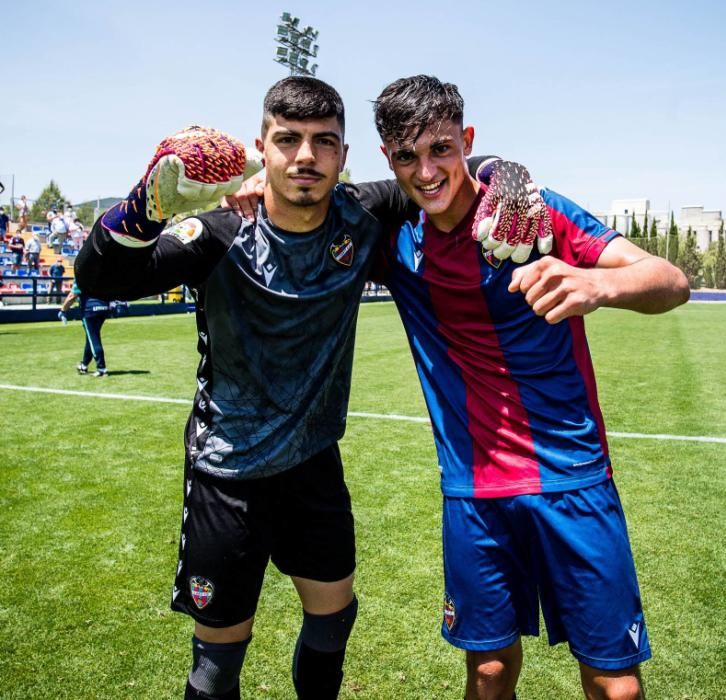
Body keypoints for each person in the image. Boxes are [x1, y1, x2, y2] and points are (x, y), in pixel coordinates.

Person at [75, 78, 542, 700]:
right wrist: (144, 205)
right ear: (260, 149)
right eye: (288, 140)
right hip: (226, 473)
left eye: (324, 142)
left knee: (332, 624)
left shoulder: (363, 212)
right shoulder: (218, 233)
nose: (305, 156)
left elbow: (444, 167)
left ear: (343, 156)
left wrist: (507, 172)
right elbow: (103, 277)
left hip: (314, 466)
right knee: (217, 665)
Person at [363, 75, 690, 700]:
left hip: (574, 477)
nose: (427, 171)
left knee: (615, 686)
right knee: (488, 673)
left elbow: (670, 279)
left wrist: (598, 285)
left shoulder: (536, 214)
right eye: (407, 156)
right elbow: (307, 207)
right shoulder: (396, 242)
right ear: (389, 160)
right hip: (474, 492)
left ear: (468, 141)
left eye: (441, 149)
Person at [59, 281, 111, 376]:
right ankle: (84, 365)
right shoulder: (101, 274)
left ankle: (101, 368)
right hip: (104, 308)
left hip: (89, 310)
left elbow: (72, 296)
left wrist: (63, 310)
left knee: (93, 339)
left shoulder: (81, 276)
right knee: (91, 337)